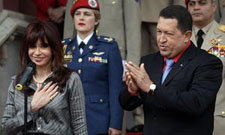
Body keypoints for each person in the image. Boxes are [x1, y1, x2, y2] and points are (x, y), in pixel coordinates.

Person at [119, 5, 223, 135]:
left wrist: (151, 88)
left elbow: (195, 103)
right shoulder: (148, 62)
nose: (161, 39)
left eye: (168, 33)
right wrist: (132, 91)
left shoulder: (207, 63)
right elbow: (126, 104)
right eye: (159, 32)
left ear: (187, 36)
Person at [1, 21, 87, 135]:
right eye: (32, 46)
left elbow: (79, 125)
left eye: (44, 46)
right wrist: (32, 108)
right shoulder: (17, 82)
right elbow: (6, 129)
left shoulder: (70, 79)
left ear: (53, 48)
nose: (37, 52)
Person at [62, 0, 124, 134]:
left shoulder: (109, 47)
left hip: (98, 119)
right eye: (77, 14)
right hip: (67, 120)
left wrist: (116, 124)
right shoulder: (64, 48)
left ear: (96, 20)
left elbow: (116, 89)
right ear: (73, 19)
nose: (81, 17)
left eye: (87, 14)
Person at [185, 0, 225, 135]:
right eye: (191, 4)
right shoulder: (179, 38)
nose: (196, 7)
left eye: (202, 3)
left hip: (218, 118)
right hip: (184, 119)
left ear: (214, 6)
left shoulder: (224, 37)